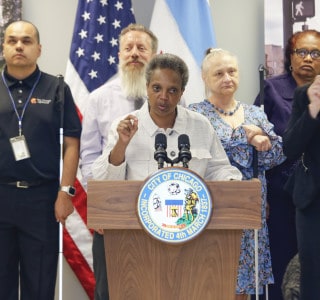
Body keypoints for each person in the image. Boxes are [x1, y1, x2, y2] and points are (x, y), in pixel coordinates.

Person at [188, 48, 285, 300]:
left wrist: (261, 139)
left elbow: (274, 156)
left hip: (252, 207)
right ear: (204, 77)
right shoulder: (196, 113)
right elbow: (212, 155)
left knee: (248, 284)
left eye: (232, 71)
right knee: (216, 276)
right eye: (218, 73)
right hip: (214, 205)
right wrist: (247, 136)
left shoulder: (255, 113)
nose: (227, 78)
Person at [0, 20, 81, 299]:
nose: (19, 46)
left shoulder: (57, 88)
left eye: (26, 41)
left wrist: (65, 192)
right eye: (12, 41)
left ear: (39, 48)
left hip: (42, 200)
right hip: (1, 195)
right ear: (4, 47)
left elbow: (71, 143)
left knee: (40, 285)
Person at [91, 51, 242, 198]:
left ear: (182, 92)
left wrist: (232, 182)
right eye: (157, 88)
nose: (163, 97)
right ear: (147, 86)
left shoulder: (201, 126)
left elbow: (218, 170)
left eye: (172, 90)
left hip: (191, 218)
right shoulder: (125, 126)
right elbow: (105, 182)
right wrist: (121, 145)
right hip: (137, 219)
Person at [79, 23, 158, 299]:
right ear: (119, 53)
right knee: (110, 290)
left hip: (158, 210)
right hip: (112, 212)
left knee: (156, 286)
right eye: (128, 48)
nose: (134, 53)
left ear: (154, 54)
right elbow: (88, 157)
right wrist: (100, 205)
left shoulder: (171, 101)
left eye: (141, 48)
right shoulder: (99, 98)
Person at [253, 29, 320, 300]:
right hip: (300, 195)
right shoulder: (297, 94)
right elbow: (286, 146)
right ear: (290, 57)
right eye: (301, 52)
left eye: (315, 53)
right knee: (304, 272)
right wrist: (312, 111)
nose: (308, 58)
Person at [283, 75, 320, 300]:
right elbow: (290, 148)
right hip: (311, 199)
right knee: (312, 274)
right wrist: (313, 109)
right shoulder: (304, 94)